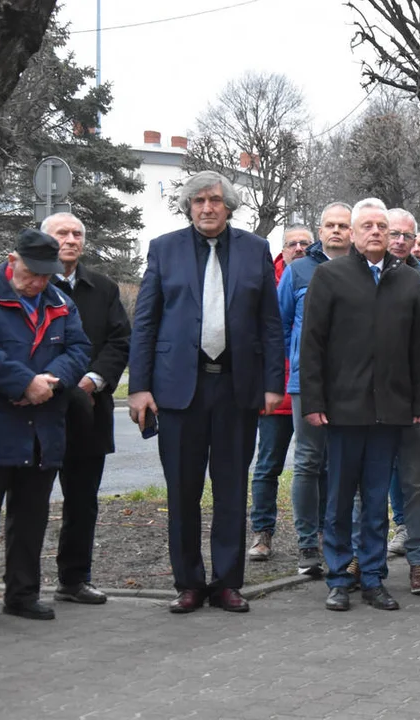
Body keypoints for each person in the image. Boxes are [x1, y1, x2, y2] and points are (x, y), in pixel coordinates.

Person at [128, 171, 285, 614]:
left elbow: (270, 325)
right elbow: (145, 323)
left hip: (237, 387)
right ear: (188, 207)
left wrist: (274, 383)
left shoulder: (255, 250)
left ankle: (228, 582)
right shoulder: (164, 249)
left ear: (229, 206)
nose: (206, 208)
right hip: (179, 391)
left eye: (214, 200)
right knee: (182, 490)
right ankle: (189, 583)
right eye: (197, 201)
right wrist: (138, 387)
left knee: (232, 488)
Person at [299, 198, 420, 612]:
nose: (376, 232)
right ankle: (340, 577)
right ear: (355, 235)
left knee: (377, 499)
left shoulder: (408, 281)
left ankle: (374, 578)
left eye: (383, 226)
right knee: (340, 497)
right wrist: (314, 400)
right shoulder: (330, 276)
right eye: (368, 226)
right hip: (343, 409)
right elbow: (313, 344)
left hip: (391, 409)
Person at [0, 229, 91, 627]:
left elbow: (79, 349)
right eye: (33, 274)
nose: (38, 283)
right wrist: (23, 383)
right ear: (12, 260)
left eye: (46, 276)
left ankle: (22, 593)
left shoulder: (61, 302)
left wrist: (49, 382)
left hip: (41, 427)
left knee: (31, 516)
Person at [41, 213, 131, 605]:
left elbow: (120, 341)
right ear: (45, 240)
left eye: (77, 233)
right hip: (37, 411)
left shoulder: (104, 288)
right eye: (62, 233)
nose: (71, 239)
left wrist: (93, 379)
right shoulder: (30, 286)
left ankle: (74, 580)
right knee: (29, 502)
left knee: (82, 502)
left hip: (89, 408)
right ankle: (23, 582)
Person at [279, 204, 353, 575]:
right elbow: (279, 326)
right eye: (330, 225)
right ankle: (307, 545)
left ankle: (339, 541)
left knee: (345, 464)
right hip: (305, 383)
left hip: (352, 384)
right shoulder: (296, 272)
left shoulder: (362, 270)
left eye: (344, 225)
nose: (337, 231)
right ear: (320, 231)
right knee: (308, 461)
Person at [384, 208, 420, 595]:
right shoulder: (360, 275)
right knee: (366, 483)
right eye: (394, 233)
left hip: (416, 397)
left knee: (418, 484)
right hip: (368, 399)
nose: (401, 241)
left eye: (408, 235)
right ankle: (363, 561)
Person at [247, 224, 313, 562]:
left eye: (305, 243)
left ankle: (315, 537)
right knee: (268, 465)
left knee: (314, 467)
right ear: (282, 250)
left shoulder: (320, 276)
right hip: (275, 393)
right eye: (292, 243)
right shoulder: (265, 283)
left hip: (309, 392)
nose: (299, 248)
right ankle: (262, 533)